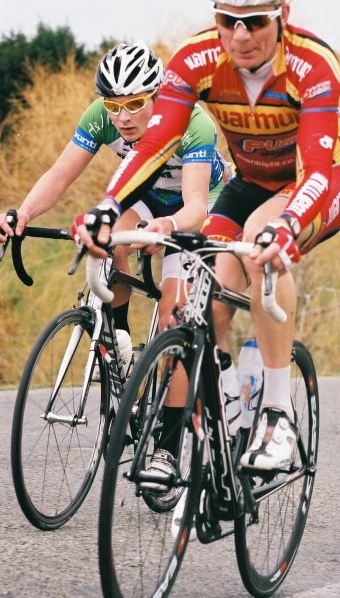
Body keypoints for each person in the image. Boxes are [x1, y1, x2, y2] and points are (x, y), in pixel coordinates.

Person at [73, 0, 340, 472]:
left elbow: (314, 167)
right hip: (249, 181)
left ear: (283, 15)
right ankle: (221, 401)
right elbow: (154, 142)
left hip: (315, 184)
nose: (240, 35)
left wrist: (289, 225)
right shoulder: (195, 59)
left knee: (260, 242)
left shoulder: (314, 64)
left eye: (255, 21)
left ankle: (276, 412)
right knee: (207, 293)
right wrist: (109, 206)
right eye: (228, 20)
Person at [0, 41, 226, 491]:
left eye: (136, 104)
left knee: (172, 316)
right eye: (114, 105)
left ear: (157, 96)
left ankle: (166, 446)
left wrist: (165, 228)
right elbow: (60, 175)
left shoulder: (192, 122)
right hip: (144, 195)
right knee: (111, 242)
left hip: (195, 207)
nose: (123, 116)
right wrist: (21, 214)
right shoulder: (101, 118)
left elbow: (197, 206)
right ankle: (118, 338)